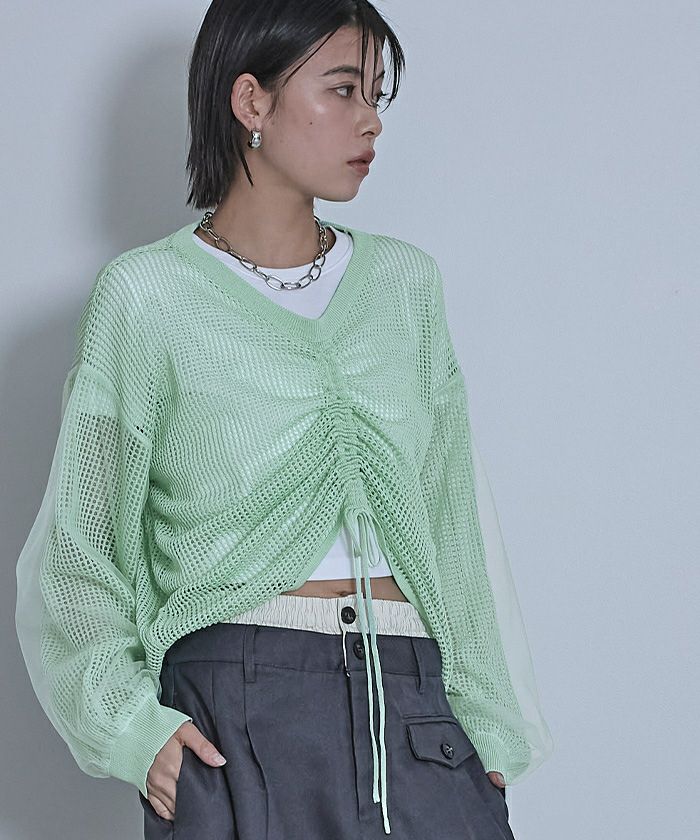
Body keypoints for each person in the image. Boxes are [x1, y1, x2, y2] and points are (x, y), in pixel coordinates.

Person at [14, 2, 554, 838]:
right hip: (237, 716)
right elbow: (79, 556)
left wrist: (485, 722)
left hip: (418, 709)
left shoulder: (405, 287)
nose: (370, 120)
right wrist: (131, 731)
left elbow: (452, 521)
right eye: (342, 89)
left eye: (376, 95)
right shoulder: (146, 298)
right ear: (251, 101)